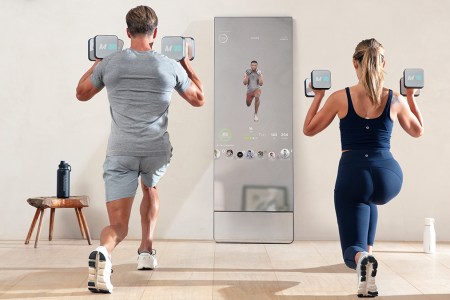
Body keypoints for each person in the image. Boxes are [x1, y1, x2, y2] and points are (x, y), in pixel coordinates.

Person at [76, 5, 204, 294]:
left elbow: (81, 93)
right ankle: (146, 251)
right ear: (155, 33)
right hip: (156, 150)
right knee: (150, 187)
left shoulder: (111, 63)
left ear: (127, 32)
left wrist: (98, 61)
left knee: (118, 225)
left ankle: (105, 253)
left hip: (121, 151)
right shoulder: (168, 65)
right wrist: (186, 64)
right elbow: (199, 99)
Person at [303, 38, 423, 297]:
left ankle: (360, 259)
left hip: (354, 173)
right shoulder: (394, 98)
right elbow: (417, 130)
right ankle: (367, 274)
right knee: (369, 200)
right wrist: (411, 97)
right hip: (389, 176)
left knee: (351, 250)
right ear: (383, 63)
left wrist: (318, 96)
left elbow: (309, 129)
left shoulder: (340, 98)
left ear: (355, 63)